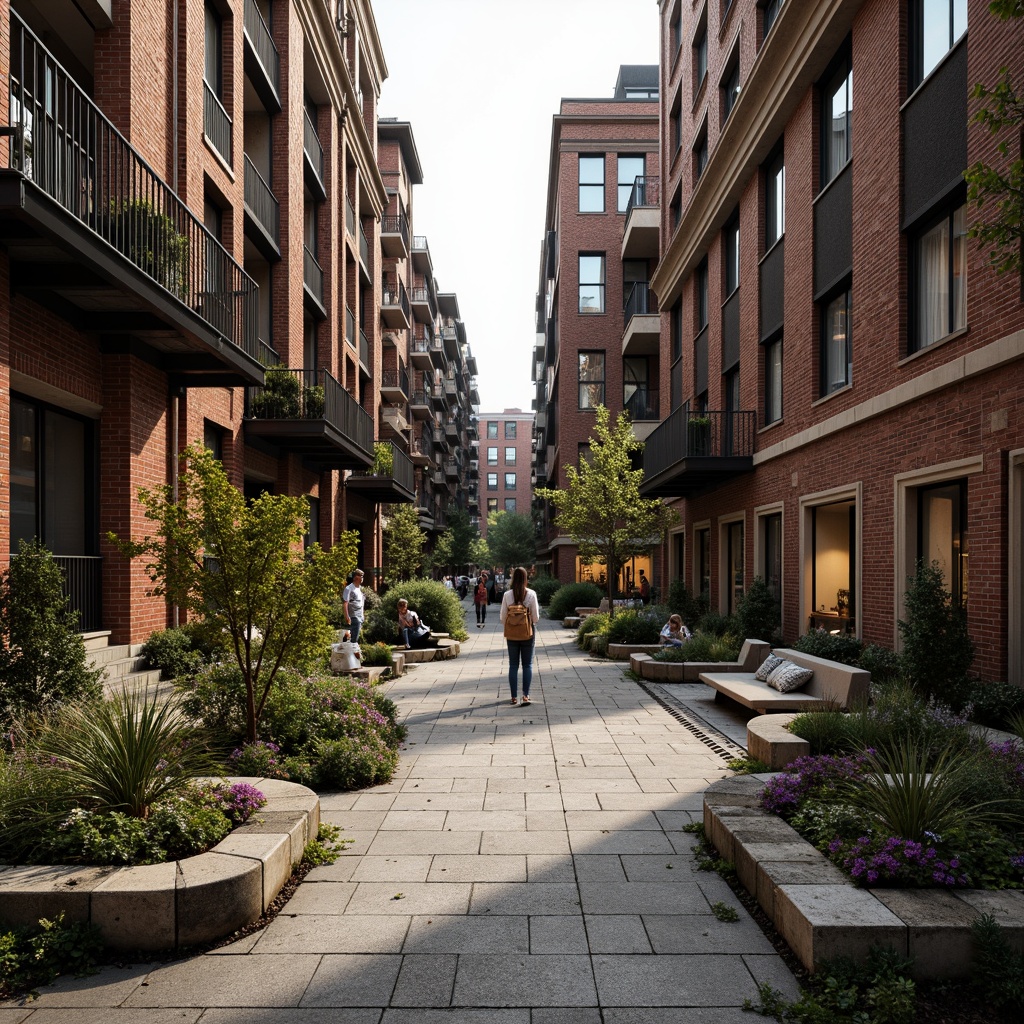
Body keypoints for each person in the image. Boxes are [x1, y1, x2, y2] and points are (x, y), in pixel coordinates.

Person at [499, 566, 540, 706]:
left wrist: (512, 624)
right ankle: (526, 696)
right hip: (528, 633)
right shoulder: (531, 594)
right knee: (527, 664)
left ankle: (513, 697)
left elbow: (502, 617)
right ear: (525, 579)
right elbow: (536, 618)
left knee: (513, 665)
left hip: (512, 634)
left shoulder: (507, 595)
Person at [342, 568, 366, 643]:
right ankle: (353, 652)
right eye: (361, 576)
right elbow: (345, 603)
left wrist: (362, 615)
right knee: (354, 639)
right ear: (356, 577)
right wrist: (347, 616)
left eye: (362, 576)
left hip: (360, 616)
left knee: (354, 633)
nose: (362, 578)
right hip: (354, 616)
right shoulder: (349, 588)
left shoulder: (359, 589)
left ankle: (347, 634)